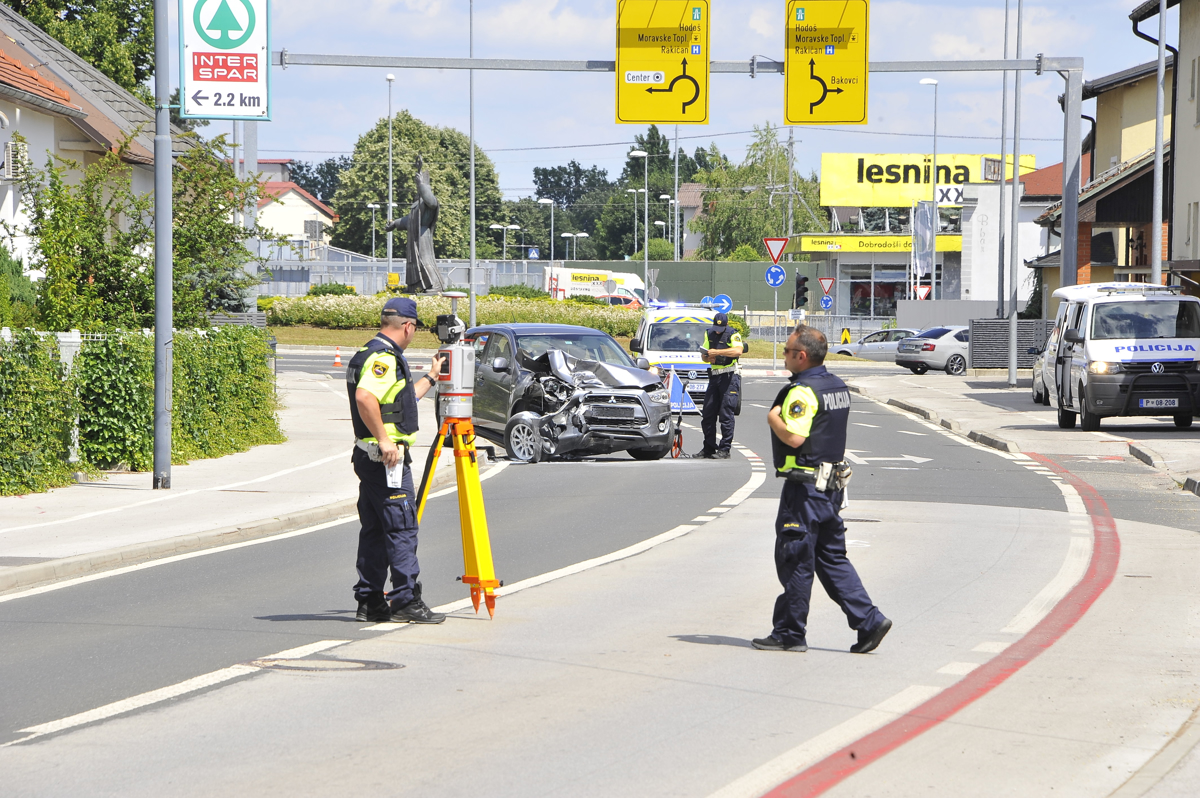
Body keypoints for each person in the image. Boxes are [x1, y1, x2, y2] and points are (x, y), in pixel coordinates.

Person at [753, 325, 892, 653]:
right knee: (832, 559)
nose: (784, 355)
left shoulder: (802, 391)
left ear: (801, 356)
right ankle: (869, 621)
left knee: (796, 559)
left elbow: (795, 437)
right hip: (831, 489)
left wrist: (773, 417)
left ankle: (790, 633)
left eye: (787, 351)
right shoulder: (836, 385)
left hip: (804, 492)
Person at [347, 296, 446, 623]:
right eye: (414, 328)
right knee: (402, 527)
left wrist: (431, 377)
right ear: (407, 326)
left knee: (375, 529)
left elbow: (398, 402)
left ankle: (371, 600)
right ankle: (405, 600)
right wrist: (386, 440)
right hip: (386, 459)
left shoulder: (367, 352)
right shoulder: (384, 359)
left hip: (367, 456)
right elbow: (366, 397)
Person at [693, 312, 744, 459]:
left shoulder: (733, 334)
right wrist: (708, 357)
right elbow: (704, 355)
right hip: (714, 377)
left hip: (729, 377)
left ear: (726, 325)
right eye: (716, 327)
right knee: (708, 414)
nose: (717, 331)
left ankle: (725, 449)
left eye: (720, 329)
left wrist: (719, 352)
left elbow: (738, 350)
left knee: (726, 414)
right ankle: (708, 448)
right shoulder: (709, 333)